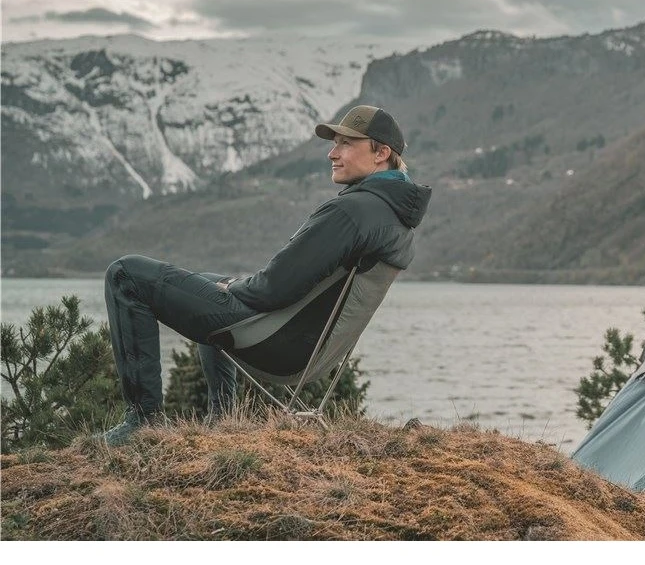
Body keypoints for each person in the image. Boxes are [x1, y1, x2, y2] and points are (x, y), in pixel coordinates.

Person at [100, 105, 431, 445]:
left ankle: (142, 422)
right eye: (335, 144)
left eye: (346, 143)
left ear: (381, 153)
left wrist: (232, 287)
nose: (332, 153)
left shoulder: (353, 211)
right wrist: (228, 285)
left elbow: (272, 288)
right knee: (206, 279)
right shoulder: (394, 219)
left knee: (126, 274)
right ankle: (223, 419)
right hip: (311, 353)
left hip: (276, 344)